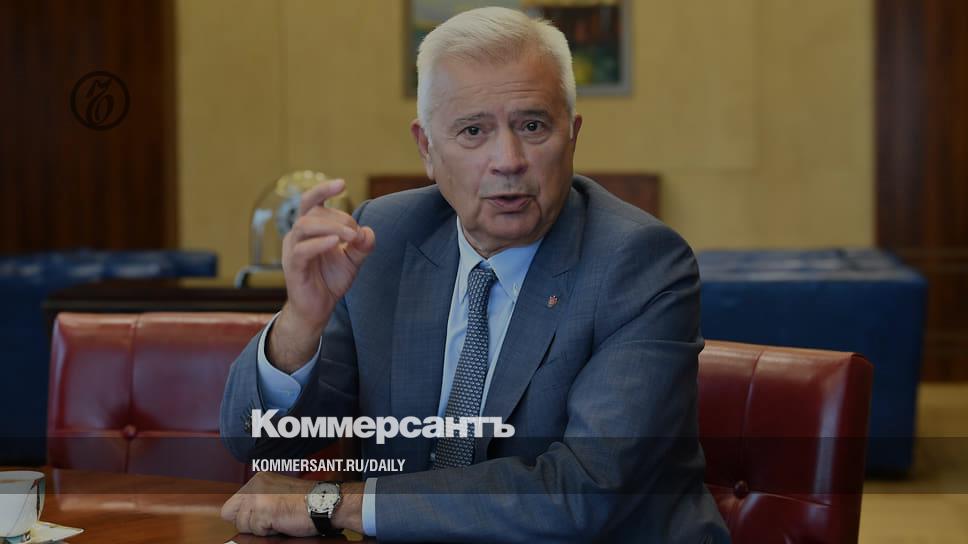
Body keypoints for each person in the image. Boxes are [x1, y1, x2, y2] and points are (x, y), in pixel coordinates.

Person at [219, 6, 730, 542]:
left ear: (572, 135)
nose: (507, 159)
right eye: (473, 131)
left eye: (532, 126)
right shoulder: (383, 240)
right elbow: (257, 444)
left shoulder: (638, 263)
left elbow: (584, 493)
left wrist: (336, 504)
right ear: (427, 148)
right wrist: (300, 323)